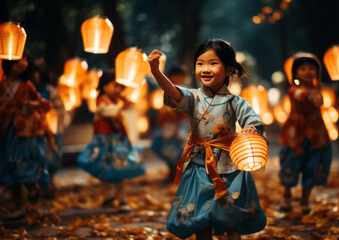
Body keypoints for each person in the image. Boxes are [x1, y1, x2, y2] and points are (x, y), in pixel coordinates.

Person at [148, 39, 267, 240]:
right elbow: (173, 92)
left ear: (229, 69)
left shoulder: (236, 101)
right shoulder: (192, 97)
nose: (205, 69)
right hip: (198, 167)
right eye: (200, 63)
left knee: (232, 220)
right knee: (200, 219)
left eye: (213, 63)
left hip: (230, 168)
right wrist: (156, 72)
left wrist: (250, 128)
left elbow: (253, 119)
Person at [0, 52, 51, 218]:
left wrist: (29, 104)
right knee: (9, 169)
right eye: (20, 59)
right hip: (5, 131)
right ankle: (19, 205)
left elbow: (41, 103)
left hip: (24, 133)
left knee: (24, 164)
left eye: (26, 59)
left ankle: (32, 189)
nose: (23, 62)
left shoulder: (27, 86)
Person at [77, 69, 145, 211]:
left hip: (117, 142)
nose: (118, 90)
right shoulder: (101, 101)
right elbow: (109, 112)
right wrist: (122, 107)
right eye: (115, 85)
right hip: (104, 142)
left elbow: (120, 117)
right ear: (104, 86)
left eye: (121, 87)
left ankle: (122, 200)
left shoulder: (115, 103)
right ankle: (108, 198)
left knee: (118, 170)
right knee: (106, 170)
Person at [278, 53, 332, 214]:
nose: (308, 71)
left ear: (317, 72)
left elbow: (318, 100)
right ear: (295, 73)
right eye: (303, 68)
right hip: (296, 135)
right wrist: (311, 96)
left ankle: (304, 200)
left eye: (311, 68)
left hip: (316, 134)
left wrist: (316, 95)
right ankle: (286, 194)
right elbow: (300, 95)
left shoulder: (318, 89)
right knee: (290, 164)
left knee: (313, 166)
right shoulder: (294, 90)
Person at [30, 61, 66, 198]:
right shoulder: (27, 89)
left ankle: (50, 185)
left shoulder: (49, 90)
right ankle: (35, 187)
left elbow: (59, 109)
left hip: (49, 130)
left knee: (51, 158)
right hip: (32, 131)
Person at [150, 66, 190, 183]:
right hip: (167, 125)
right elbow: (160, 107)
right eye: (174, 77)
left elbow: (189, 109)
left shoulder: (187, 92)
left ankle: (177, 172)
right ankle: (171, 169)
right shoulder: (163, 91)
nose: (177, 79)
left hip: (182, 125)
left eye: (179, 77)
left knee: (180, 148)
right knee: (161, 146)